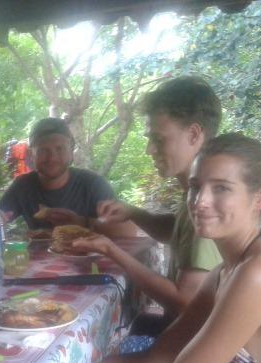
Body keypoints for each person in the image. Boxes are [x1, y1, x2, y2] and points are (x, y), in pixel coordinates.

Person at [49, 133, 261, 363]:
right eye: (196, 187)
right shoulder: (222, 272)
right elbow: (160, 358)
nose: (200, 201)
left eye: (222, 188)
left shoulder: (259, 273)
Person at [80, 77, 223, 335]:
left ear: (193, 135)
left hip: (191, 349)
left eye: (158, 139)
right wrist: (134, 213)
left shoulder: (208, 205)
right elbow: (176, 232)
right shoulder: (197, 190)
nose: (149, 149)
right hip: (183, 333)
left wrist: (112, 251)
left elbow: (184, 302)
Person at [0, 117, 136, 237]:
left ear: (71, 151)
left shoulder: (93, 184)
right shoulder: (23, 185)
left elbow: (128, 232)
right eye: (43, 150)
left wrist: (81, 222)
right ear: (32, 155)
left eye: (59, 148)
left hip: (90, 265)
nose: (52, 157)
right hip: (41, 264)